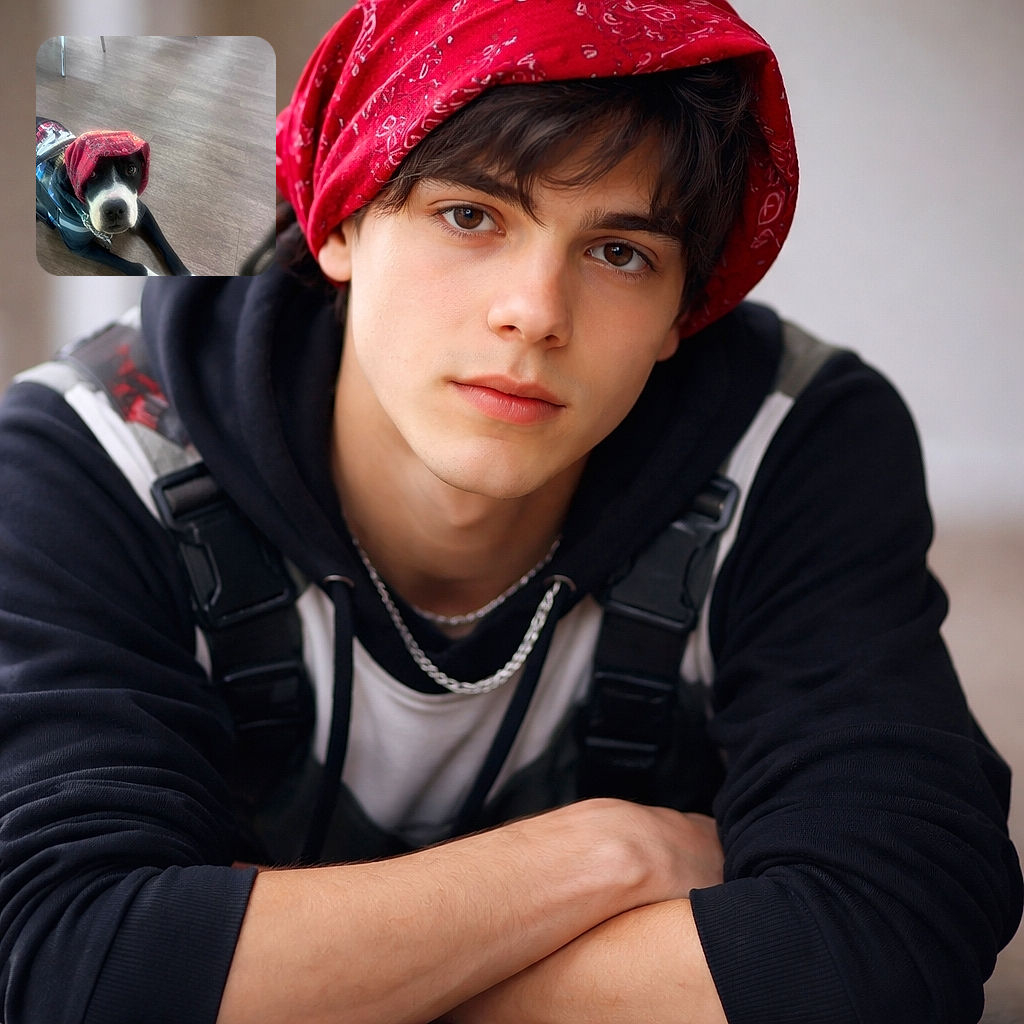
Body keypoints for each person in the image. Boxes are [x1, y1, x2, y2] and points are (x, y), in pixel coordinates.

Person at [0, 0, 1020, 1021]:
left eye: (620, 251)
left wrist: (303, 983)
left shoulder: (794, 437)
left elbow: (891, 939)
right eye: (470, 215)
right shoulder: (84, 455)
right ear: (342, 218)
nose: (534, 312)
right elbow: (64, 962)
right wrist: (605, 856)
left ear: (680, 312)